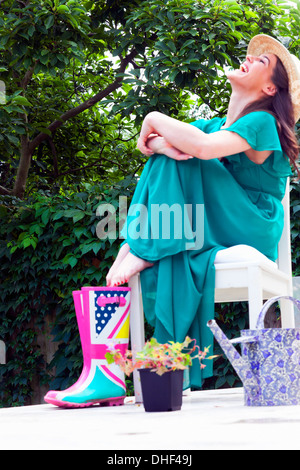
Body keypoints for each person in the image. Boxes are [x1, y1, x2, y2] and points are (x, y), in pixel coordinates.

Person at [106, 34, 300, 389]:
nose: (249, 59)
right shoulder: (213, 125)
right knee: (178, 159)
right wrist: (167, 142)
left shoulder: (263, 121)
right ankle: (147, 246)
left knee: (191, 157)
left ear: (272, 89)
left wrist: (153, 118)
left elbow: (199, 148)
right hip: (211, 222)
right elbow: (156, 146)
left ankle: (140, 246)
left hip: (250, 224)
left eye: (262, 62)